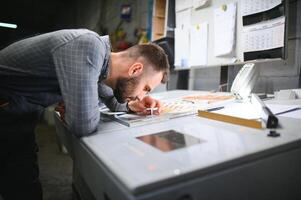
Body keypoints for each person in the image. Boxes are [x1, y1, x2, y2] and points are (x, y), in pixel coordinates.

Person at [0, 29, 170, 200]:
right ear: (135, 70)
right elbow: (83, 123)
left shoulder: (101, 65)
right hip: (6, 107)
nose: (142, 96)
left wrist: (134, 105)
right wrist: (79, 109)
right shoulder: (88, 46)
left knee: (23, 179)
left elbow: (111, 100)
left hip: (19, 110)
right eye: (146, 88)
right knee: (22, 185)